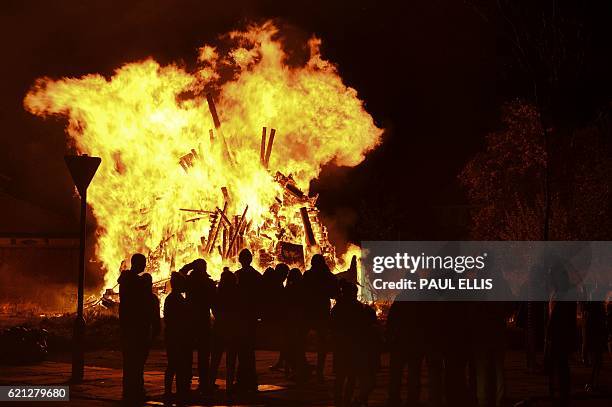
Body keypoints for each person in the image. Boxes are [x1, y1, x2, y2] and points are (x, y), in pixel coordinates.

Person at [179, 258, 216, 394]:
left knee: (187, 352)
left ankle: (186, 379)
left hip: (190, 321)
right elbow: (214, 303)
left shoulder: (189, 281)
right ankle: (204, 381)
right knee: (204, 353)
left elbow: (180, 275)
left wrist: (188, 266)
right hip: (203, 321)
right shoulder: (209, 283)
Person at [544, 261, 577, 407]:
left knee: (560, 364)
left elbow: (558, 316)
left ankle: (561, 394)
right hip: (559, 333)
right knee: (559, 364)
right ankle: (560, 393)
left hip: (560, 334)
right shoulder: (560, 291)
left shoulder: (563, 293)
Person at [302, 254, 338, 382]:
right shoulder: (328, 276)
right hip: (321, 311)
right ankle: (319, 372)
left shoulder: (307, 275)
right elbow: (334, 294)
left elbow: (302, 292)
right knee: (322, 343)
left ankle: (302, 367)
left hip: (308, 311)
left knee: (301, 340)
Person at [118, 253, 148, 402]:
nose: (145, 265)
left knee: (129, 361)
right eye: (144, 263)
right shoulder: (134, 281)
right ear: (137, 264)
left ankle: (129, 390)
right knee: (135, 361)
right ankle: (135, 390)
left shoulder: (126, 279)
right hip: (134, 326)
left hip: (126, 324)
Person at [234, 249, 263, 393]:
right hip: (251, 318)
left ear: (240, 260)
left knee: (242, 351)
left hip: (241, 318)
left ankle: (241, 381)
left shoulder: (237, 276)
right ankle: (250, 380)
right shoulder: (257, 276)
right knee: (249, 351)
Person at [209, 268, 241, 396]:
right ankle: (229, 385)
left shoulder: (218, 293)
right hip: (232, 328)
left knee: (215, 358)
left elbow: (214, 308)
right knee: (231, 359)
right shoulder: (237, 294)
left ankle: (210, 383)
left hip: (219, 327)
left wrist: (219, 318)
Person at [164, 272, 191, 405]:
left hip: (173, 335)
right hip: (177, 336)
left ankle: (170, 390)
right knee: (177, 364)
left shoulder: (171, 298)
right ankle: (176, 391)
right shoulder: (177, 299)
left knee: (174, 364)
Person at [285, 267, 308, 381]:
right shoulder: (303, 288)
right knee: (299, 347)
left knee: (293, 347)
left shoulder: (290, 288)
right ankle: (301, 370)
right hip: (301, 321)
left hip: (293, 321)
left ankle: (298, 371)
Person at [140, 273, 161, 396]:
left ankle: (132, 387)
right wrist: (156, 333)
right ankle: (138, 387)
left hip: (136, 332)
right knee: (140, 361)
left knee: (134, 362)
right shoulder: (152, 299)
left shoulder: (135, 298)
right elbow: (156, 319)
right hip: (145, 332)